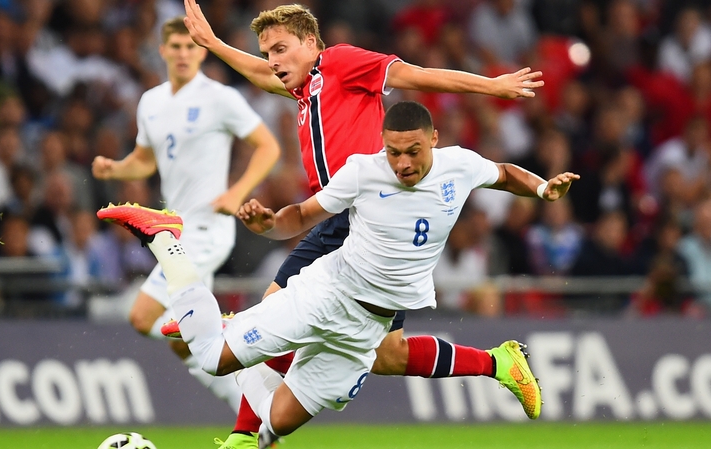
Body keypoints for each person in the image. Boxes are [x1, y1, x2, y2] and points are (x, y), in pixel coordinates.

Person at [99, 101, 578, 449]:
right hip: (327, 293)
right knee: (211, 358)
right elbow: (302, 215)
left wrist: (541, 189)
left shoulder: (460, 165)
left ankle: (234, 349)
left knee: (280, 421)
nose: (403, 163)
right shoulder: (363, 172)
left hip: (367, 328)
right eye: (394, 152)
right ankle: (166, 238)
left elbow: (504, 172)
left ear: (434, 139)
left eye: (413, 151)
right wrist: (269, 223)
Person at [181, 2, 544, 447]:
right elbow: (260, 74)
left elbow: (412, 75)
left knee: (273, 311)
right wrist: (214, 44)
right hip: (344, 216)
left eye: (280, 49)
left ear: (311, 43)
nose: (272, 61)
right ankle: (499, 363)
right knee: (388, 355)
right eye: (267, 52)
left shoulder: (339, 63)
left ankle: (245, 434)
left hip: (360, 217)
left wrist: (492, 86)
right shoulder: (305, 88)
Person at [91, 17, 281, 414]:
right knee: (186, 345)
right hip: (175, 234)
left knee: (143, 318)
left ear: (201, 52)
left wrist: (237, 192)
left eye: (190, 47)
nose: (183, 54)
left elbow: (268, 146)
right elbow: (145, 161)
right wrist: (116, 169)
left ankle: (229, 328)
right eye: (175, 47)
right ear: (162, 51)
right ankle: (259, 417)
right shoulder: (151, 102)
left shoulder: (220, 98)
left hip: (206, 230)